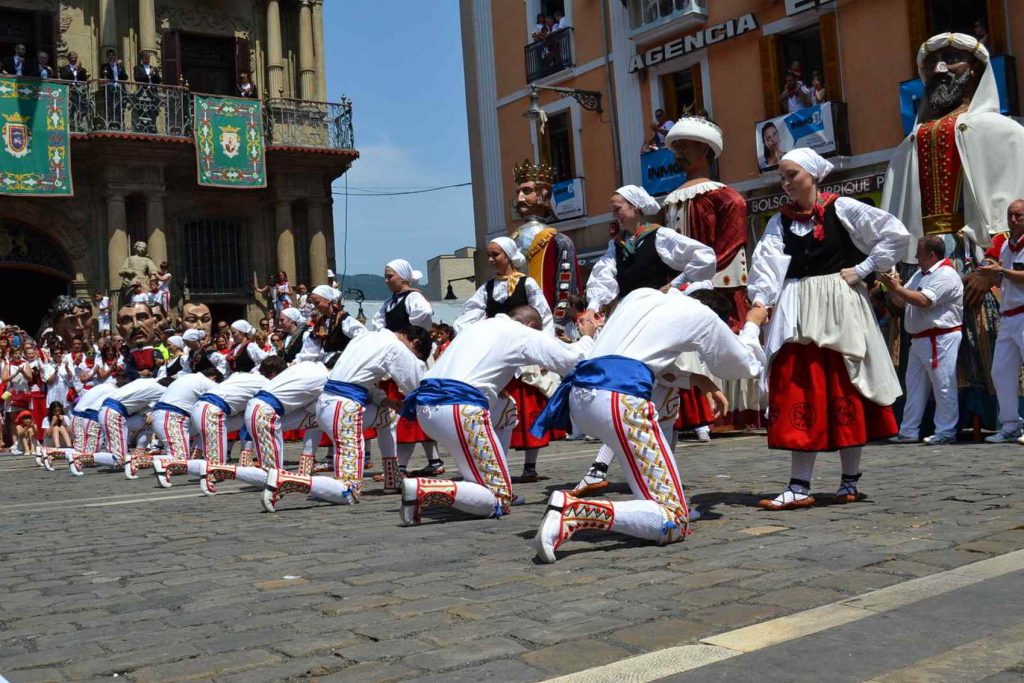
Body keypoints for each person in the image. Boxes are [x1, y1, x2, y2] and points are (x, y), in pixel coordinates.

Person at [533, 287, 767, 562]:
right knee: (675, 521)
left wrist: (695, 379)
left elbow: (644, 360)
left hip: (581, 396)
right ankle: (576, 510)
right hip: (619, 400)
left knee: (665, 403)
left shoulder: (640, 295)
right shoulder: (703, 316)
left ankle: (649, 499)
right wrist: (752, 324)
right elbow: (743, 365)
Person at [748, 148, 910, 510]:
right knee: (797, 390)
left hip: (839, 306)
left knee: (846, 386)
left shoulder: (844, 208)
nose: (785, 183)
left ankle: (850, 479)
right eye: (782, 177)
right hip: (798, 311)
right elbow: (766, 269)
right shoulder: (779, 222)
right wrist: (761, 304)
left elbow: (895, 234)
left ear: (813, 176)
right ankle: (799, 484)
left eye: (792, 175)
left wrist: (865, 268)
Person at [884, 32, 1024, 437]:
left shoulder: (1006, 134)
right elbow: (897, 216)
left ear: (977, 71)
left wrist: (992, 267)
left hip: (983, 260)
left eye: (953, 58)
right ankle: (930, 421)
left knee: (993, 342)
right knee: (919, 349)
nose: (941, 68)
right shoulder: (908, 145)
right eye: (933, 61)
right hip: (922, 264)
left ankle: (1000, 418)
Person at [399, 305, 596, 525]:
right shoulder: (521, 333)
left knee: (506, 409)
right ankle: (423, 489)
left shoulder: (478, 326)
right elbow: (571, 361)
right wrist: (587, 336)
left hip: (426, 407)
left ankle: (490, 476)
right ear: (530, 325)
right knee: (498, 501)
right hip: (460, 410)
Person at [262, 326, 433, 512]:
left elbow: (360, 378)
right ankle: (286, 480)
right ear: (415, 343)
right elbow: (414, 384)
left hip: (328, 406)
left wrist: (384, 400)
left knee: (388, 416)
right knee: (349, 490)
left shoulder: (365, 337)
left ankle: (393, 478)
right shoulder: (395, 347)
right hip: (344, 410)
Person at [663, 115, 759, 431]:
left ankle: (734, 413)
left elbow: (731, 244)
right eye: (676, 146)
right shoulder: (671, 199)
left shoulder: (726, 196)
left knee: (720, 341)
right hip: (680, 288)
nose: (679, 152)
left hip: (718, 289)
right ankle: (691, 412)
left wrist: (699, 280)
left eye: (685, 145)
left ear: (705, 150)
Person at [453, 237, 557, 482]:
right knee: (498, 408)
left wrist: (545, 350)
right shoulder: (487, 288)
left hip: (523, 352)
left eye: (495, 255)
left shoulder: (527, 283)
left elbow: (544, 315)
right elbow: (466, 317)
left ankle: (530, 465)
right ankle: (500, 461)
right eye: (489, 255)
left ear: (508, 256)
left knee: (527, 404)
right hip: (498, 354)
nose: (490, 260)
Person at [880, 235, 964, 445]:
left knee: (943, 385)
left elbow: (924, 301)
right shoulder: (920, 273)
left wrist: (898, 289)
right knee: (914, 385)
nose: (916, 255)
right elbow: (902, 301)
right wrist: (892, 287)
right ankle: (909, 430)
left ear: (931, 254)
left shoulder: (946, 274)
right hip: (919, 338)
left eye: (919, 251)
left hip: (940, 337)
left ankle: (946, 430)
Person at [159, 356, 284, 492]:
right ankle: (167, 464)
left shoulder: (244, 376)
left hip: (204, 409)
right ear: (273, 374)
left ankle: (174, 465)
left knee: (218, 462)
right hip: (212, 411)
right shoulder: (265, 383)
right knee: (217, 466)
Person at [586, 185, 715, 313]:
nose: (614, 215)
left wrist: (674, 284)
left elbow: (704, 256)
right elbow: (603, 275)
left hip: (656, 311)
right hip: (629, 312)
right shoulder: (615, 245)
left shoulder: (659, 235)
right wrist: (592, 308)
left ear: (635, 206)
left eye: (617, 209)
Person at [204, 361, 327, 493]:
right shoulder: (323, 377)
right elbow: (315, 407)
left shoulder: (306, 366)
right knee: (273, 475)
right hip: (266, 413)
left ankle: (304, 472)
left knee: (272, 473)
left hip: (257, 410)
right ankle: (218, 470)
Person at [372, 260, 442, 478]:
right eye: (385, 276)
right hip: (395, 357)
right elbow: (378, 324)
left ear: (403, 277)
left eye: (389, 276)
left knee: (409, 409)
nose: (386, 280)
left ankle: (400, 466)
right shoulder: (390, 303)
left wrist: (406, 337)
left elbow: (422, 317)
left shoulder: (414, 298)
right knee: (410, 412)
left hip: (410, 356)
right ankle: (434, 460)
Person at [510, 159, 582, 327]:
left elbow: (566, 289)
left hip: (547, 325)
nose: (520, 199)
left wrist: (557, 324)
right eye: (518, 193)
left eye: (526, 191)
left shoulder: (559, 241)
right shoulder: (510, 241)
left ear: (544, 195)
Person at [976, 201, 1024, 443]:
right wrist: (990, 273)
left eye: (1018, 215)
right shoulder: (1006, 244)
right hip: (1008, 314)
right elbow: (1002, 277)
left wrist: (1001, 272)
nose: (1013, 219)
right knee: (1000, 371)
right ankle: (1010, 424)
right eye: (1010, 215)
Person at [93, 376, 166, 474]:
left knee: (149, 423)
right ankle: (81, 457)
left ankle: (138, 453)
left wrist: (147, 412)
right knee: (119, 460)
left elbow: (137, 401)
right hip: (113, 414)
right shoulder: (161, 390)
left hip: (112, 413)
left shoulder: (145, 381)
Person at [64, 380, 119, 475]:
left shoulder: (105, 386)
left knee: (81, 451)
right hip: (87, 417)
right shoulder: (113, 391)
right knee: (88, 456)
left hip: (79, 415)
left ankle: (49, 452)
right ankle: (76, 458)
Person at [132, 51, 162, 134]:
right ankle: (142, 127)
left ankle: (152, 126)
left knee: (153, 110)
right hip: (143, 92)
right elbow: (137, 78)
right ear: (142, 59)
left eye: (148, 58)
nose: (148, 60)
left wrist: (154, 74)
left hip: (153, 92)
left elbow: (158, 80)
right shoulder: (137, 68)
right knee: (143, 109)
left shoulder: (154, 68)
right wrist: (149, 75)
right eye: (146, 58)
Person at [61, 52, 90, 131]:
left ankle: (80, 125)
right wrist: (72, 70)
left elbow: (85, 80)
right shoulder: (64, 68)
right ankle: (71, 127)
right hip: (69, 90)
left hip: (79, 91)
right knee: (71, 109)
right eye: (72, 57)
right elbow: (64, 77)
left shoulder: (82, 69)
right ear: (69, 58)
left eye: (75, 57)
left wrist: (80, 71)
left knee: (80, 109)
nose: (73, 59)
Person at [100, 49, 128, 130]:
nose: (112, 57)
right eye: (110, 55)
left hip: (119, 88)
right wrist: (112, 66)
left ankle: (120, 125)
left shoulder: (120, 66)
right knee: (109, 106)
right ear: (107, 57)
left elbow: (125, 77)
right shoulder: (104, 66)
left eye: (113, 55)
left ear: (115, 56)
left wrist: (119, 68)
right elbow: (104, 76)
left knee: (119, 106)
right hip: (109, 88)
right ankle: (109, 124)